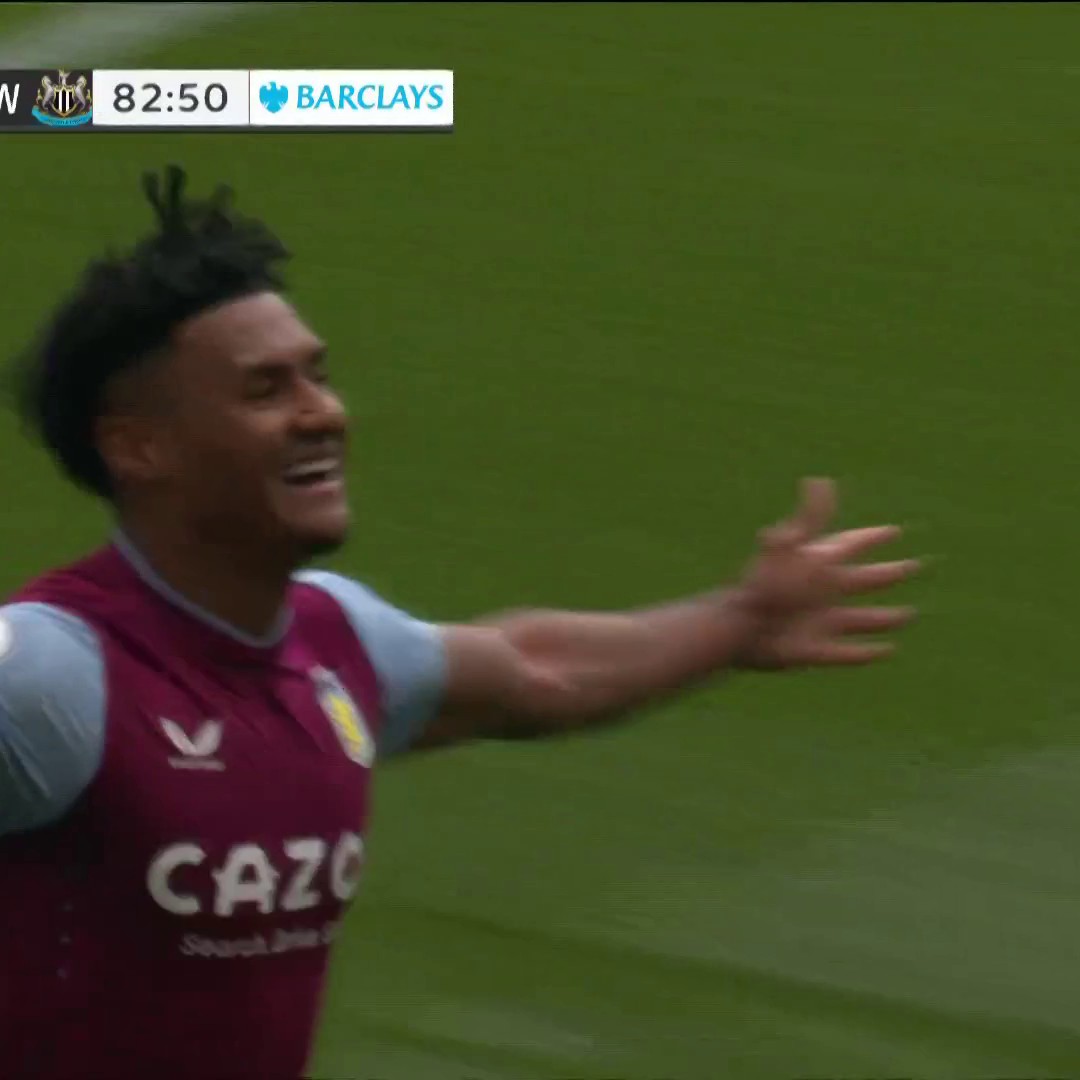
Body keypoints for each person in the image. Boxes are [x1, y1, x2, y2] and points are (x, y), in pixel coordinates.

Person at [0, 165, 920, 1080]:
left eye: (317, 377)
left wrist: (741, 619)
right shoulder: (53, 675)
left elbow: (536, 671)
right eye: (264, 390)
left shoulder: (338, 648)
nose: (320, 412)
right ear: (138, 446)